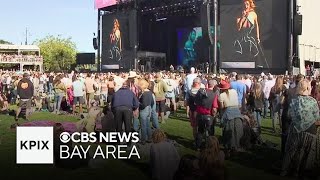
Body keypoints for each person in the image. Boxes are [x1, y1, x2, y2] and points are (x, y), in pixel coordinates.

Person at [281, 79, 320, 178]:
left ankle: (288, 171)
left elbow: (289, 116)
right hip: (310, 131)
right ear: (308, 88)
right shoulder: (313, 101)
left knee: (292, 152)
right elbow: (317, 119)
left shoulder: (294, 100)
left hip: (295, 130)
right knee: (307, 154)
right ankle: (304, 172)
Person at [218, 80, 244, 155]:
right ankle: (236, 146)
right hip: (236, 111)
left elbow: (221, 107)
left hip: (228, 112)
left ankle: (229, 147)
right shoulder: (234, 91)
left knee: (228, 131)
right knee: (237, 131)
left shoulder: (221, 95)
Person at [138, 79, 154, 144]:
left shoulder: (144, 94)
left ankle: (143, 140)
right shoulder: (150, 93)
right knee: (148, 125)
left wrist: (138, 103)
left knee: (143, 126)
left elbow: (143, 104)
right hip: (149, 108)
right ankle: (149, 138)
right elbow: (152, 102)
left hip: (144, 110)